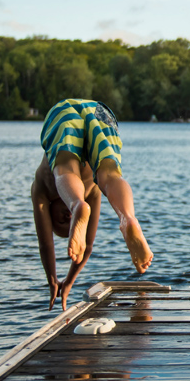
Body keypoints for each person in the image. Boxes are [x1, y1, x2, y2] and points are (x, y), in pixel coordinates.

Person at [32, 98, 152, 310]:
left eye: (62, 221)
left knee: (65, 168)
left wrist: (52, 278)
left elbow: (45, 244)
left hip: (63, 113)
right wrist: (69, 281)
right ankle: (127, 217)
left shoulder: (41, 189)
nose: (67, 220)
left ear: (49, 214)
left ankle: (77, 203)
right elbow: (86, 246)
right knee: (109, 175)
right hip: (97, 110)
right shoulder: (92, 192)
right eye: (70, 221)